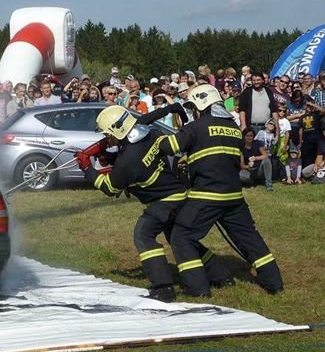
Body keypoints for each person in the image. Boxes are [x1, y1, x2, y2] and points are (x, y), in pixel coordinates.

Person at [80, 104, 233, 301]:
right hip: (178, 193)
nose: (106, 139)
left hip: (165, 200)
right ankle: (221, 275)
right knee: (179, 239)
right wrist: (110, 156)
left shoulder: (127, 162)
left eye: (108, 134)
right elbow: (140, 141)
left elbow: (110, 187)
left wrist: (87, 169)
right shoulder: (148, 133)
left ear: (118, 129)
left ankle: (163, 288)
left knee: (143, 235)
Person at [166, 84, 284, 295]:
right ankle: (274, 282)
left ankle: (197, 288)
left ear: (201, 104)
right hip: (234, 196)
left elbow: (169, 147)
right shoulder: (234, 129)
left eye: (193, 107)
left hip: (206, 195)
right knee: (249, 238)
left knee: (181, 236)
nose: (193, 111)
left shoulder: (196, 127)